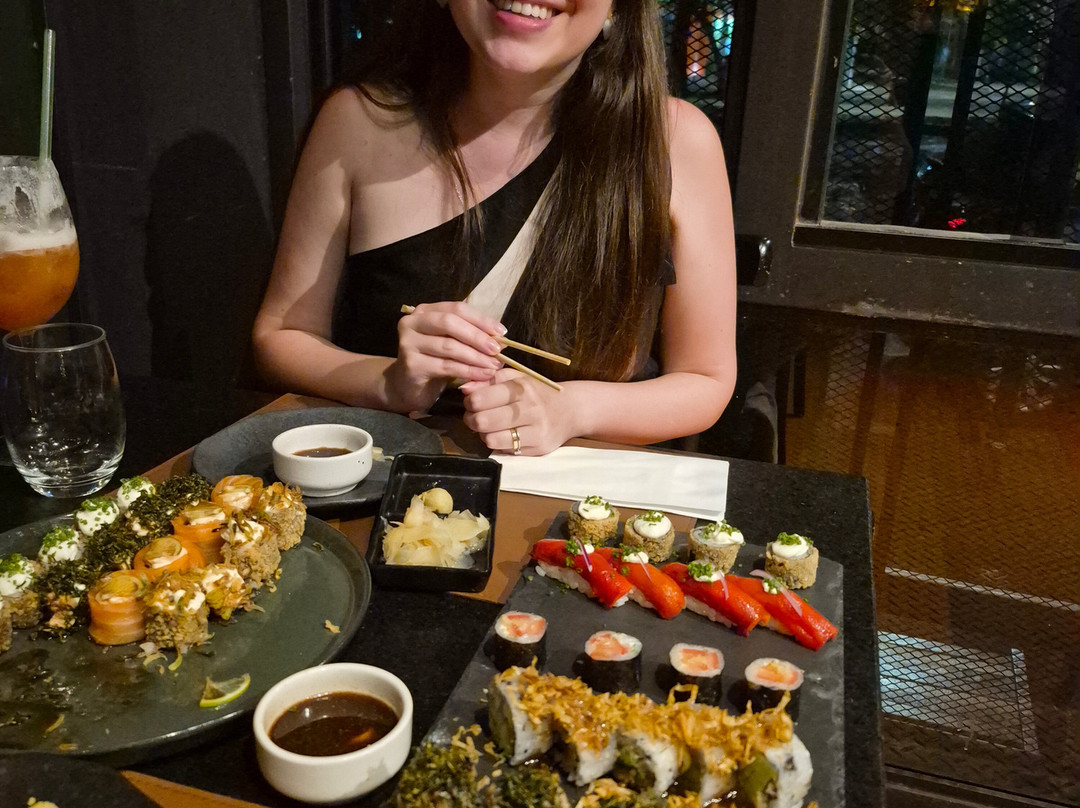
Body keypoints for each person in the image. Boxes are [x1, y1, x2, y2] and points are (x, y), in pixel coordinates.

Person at [252, 0, 737, 456]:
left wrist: (572, 409)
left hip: (589, 506)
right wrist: (389, 381)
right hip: (393, 492)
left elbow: (706, 379)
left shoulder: (675, 141)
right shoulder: (358, 122)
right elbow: (282, 335)